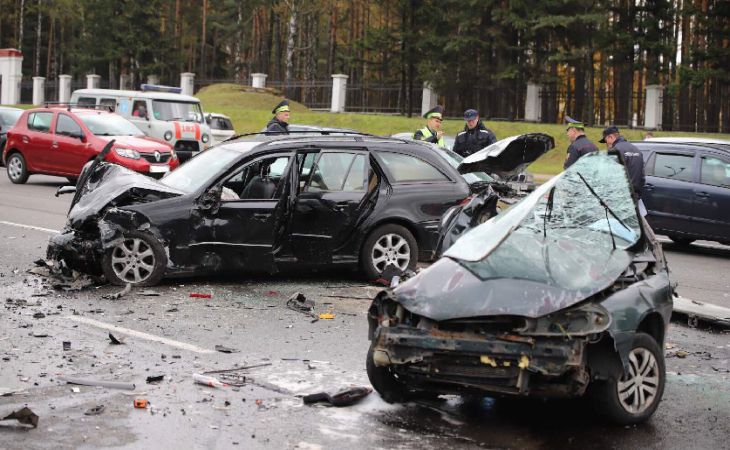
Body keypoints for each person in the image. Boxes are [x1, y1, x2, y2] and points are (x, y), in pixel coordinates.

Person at [600, 125, 646, 200]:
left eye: (606, 141)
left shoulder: (614, 151)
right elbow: (642, 177)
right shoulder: (637, 150)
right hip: (635, 197)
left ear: (610, 137)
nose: (606, 144)